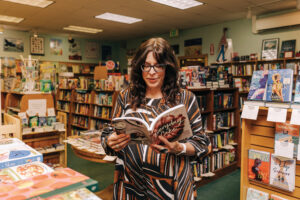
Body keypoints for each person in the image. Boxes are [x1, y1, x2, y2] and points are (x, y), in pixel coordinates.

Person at [102, 37, 211, 200]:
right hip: (131, 183)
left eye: (158, 65)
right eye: (146, 66)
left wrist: (179, 147)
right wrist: (110, 141)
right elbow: (110, 132)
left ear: (168, 67)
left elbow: (202, 144)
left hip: (172, 185)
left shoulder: (185, 98)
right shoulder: (126, 96)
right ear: (139, 67)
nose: (151, 72)